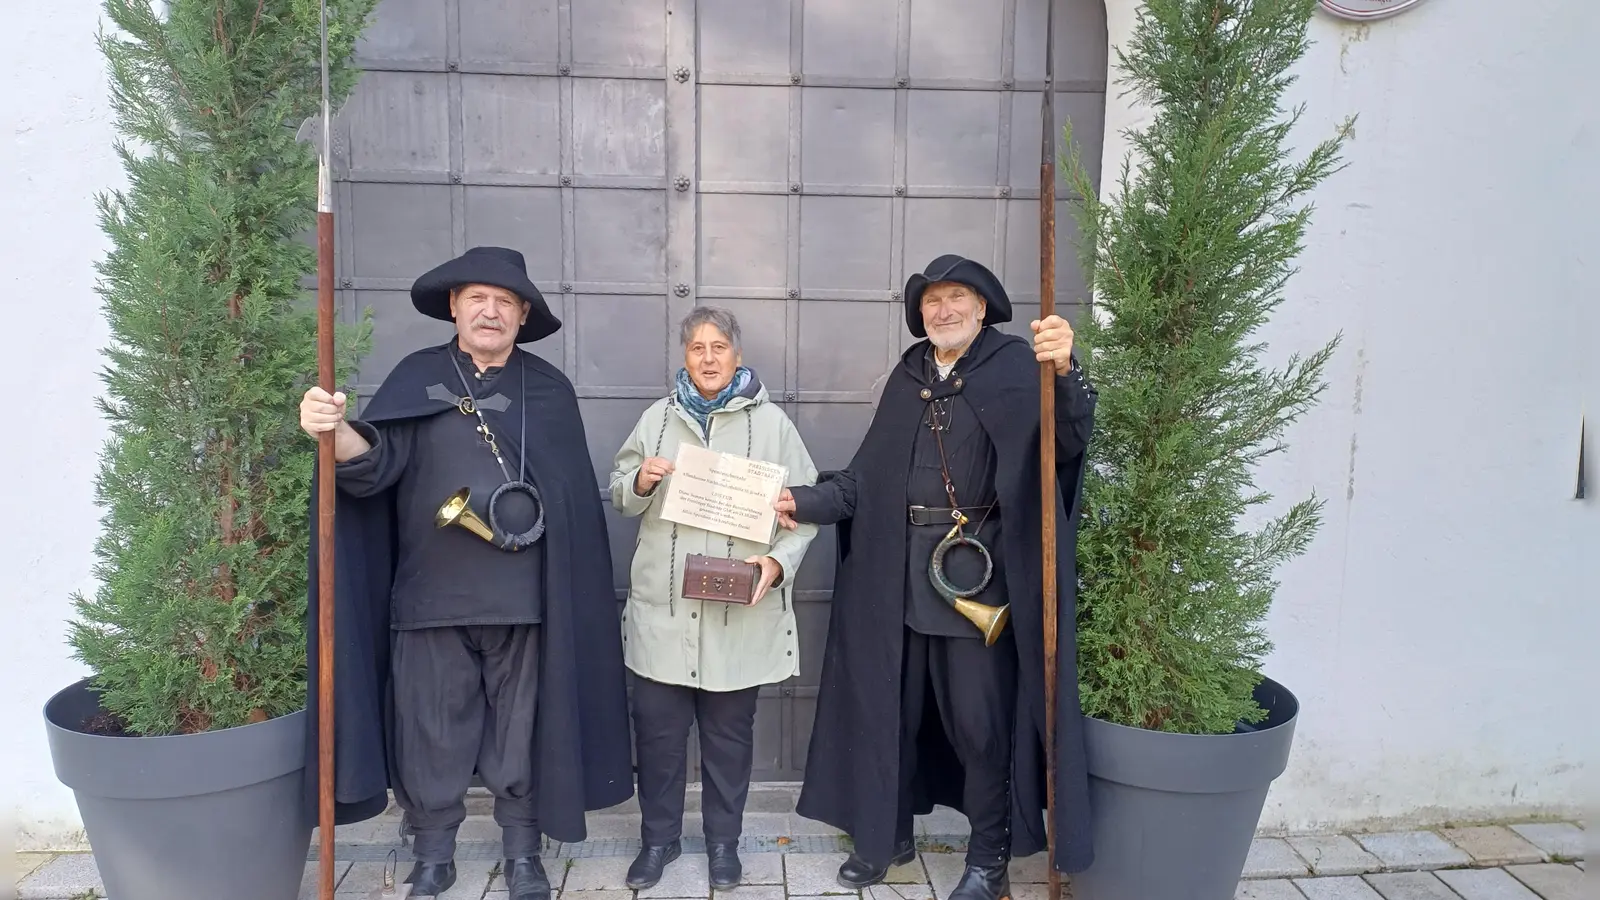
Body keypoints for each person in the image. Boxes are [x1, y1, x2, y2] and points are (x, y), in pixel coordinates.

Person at [297, 246, 634, 899]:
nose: (490, 311)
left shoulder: (549, 390)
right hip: (430, 599)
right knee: (430, 733)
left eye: (505, 301)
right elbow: (373, 465)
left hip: (525, 603)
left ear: (523, 315)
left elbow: (569, 501)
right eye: (477, 298)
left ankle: (523, 854)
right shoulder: (416, 376)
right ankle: (433, 856)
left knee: (521, 734)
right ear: (454, 306)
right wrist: (331, 431)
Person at [774, 254, 1099, 900]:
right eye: (932, 301)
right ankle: (886, 837)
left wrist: (1065, 372)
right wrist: (802, 502)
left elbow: (1065, 444)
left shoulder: (1015, 368)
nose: (943, 310)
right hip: (896, 580)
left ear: (982, 308)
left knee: (981, 727)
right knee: (890, 714)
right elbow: (864, 480)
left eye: (956, 298)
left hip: (975, 582)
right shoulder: (909, 376)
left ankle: (988, 858)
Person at [608, 306, 820, 891]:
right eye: (697, 347)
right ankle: (658, 842)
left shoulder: (772, 425)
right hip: (664, 615)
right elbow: (620, 493)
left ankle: (724, 844)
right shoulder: (656, 419)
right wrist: (640, 481)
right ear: (685, 356)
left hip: (738, 616)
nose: (708, 358)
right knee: (658, 741)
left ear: (737, 355)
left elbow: (806, 511)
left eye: (718, 347)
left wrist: (777, 563)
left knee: (729, 742)